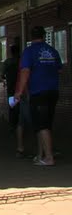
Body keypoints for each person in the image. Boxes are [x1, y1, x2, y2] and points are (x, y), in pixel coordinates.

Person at [13, 26, 63, 166]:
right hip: (53, 91)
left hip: (38, 91)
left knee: (41, 125)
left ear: (31, 36)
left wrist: (20, 91)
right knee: (45, 124)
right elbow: (59, 70)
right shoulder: (53, 51)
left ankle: (48, 157)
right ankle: (40, 155)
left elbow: (25, 71)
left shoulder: (29, 52)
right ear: (44, 35)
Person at [2, 42, 29, 157]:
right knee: (23, 111)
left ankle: (13, 125)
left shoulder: (7, 62)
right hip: (23, 90)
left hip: (12, 89)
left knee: (12, 107)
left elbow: (2, 75)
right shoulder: (22, 61)